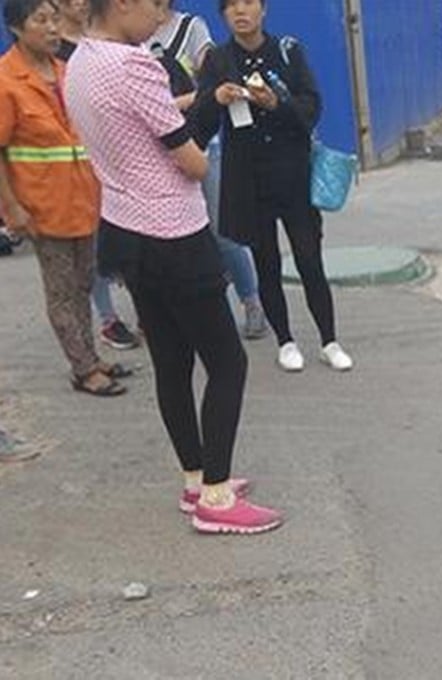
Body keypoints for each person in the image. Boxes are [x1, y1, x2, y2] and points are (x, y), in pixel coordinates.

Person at [65, 0, 282, 533]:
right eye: (157, 5)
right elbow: (192, 160)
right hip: (172, 231)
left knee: (172, 362)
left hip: (123, 226)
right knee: (228, 362)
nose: (162, 17)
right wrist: (208, 109)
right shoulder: (134, 64)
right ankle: (217, 498)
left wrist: (202, 101)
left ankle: (195, 481)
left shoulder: (80, 61)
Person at [193, 0, 353, 373]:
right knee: (265, 263)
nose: (240, 12)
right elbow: (200, 124)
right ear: (223, 16)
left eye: (248, 3)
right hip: (247, 177)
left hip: (292, 173)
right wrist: (214, 99)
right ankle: (286, 341)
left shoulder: (288, 51)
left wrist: (275, 102)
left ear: (263, 10)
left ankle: (329, 340)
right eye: (231, 6)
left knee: (309, 258)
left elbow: (311, 107)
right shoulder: (218, 60)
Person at [0, 0, 130, 397]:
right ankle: (83, 369)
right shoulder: (7, 81)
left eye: (55, 18)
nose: (53, 27)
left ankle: (90, 356)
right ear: (17, 28)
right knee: (60, 290)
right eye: (41, 19)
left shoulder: (65, 72)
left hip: (84, 200)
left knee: (83, 284)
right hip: (42, 205)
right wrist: (11, 207)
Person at [148, 0, 269, 341]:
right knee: (164, 234)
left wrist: (174, 104)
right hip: (153, 149)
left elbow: (211, 78)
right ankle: (178, 313)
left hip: (199, 140)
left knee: (221, 230)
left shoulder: (190, 27)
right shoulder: (127, 36)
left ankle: (251, 302)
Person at [55, 0, 142, 351]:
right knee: (93, 245)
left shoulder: (107, 40)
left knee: (130, 235)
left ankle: (146, 312)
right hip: (75, 162)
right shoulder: (53, 47)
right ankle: (108, 318)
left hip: (114, 153)